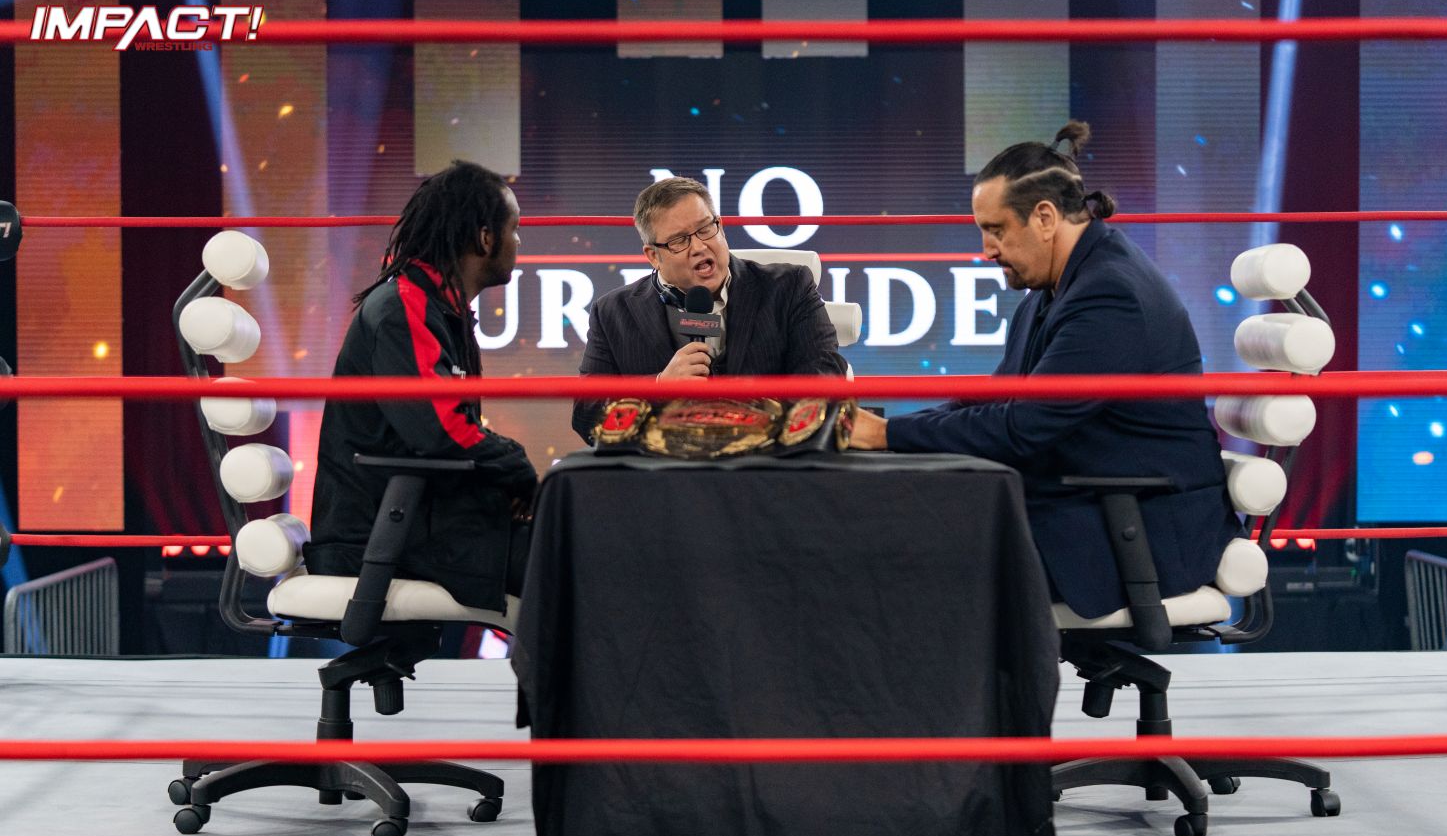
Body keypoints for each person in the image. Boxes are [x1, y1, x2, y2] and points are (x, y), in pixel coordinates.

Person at [849, 122, 1241, 619]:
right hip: (1086, 497)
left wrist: (885, 436)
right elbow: (998, 400)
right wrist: (887, 433)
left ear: (1044, 217)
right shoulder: (1058, 285)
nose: (987, 250)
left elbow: (1021, 428)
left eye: (996, 230)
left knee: (916, 548)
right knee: (911, 518)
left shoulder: (1110, 295)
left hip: (1138, 528)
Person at [304, 160, 537, 612]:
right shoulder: (404, 307)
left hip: (420, 520)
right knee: (574, 559)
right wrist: (516, 467)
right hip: (383, 534)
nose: (519, 241)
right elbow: (439, 430)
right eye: (515, 229)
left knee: (575, 542)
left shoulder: (433, 306)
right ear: (485, 238)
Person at [570, 176, 847, 442]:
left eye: (705, 229)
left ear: (721, 227)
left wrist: (753, 414)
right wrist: (658, 389)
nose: (699, 247)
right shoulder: (612, 313)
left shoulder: (789, 287)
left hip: (766, 460)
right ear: (653, 256)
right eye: (679, 240)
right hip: (663, 466)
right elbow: (587, 415)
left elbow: (825, 379)